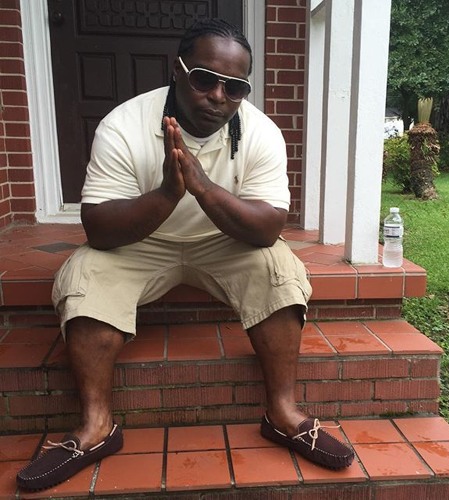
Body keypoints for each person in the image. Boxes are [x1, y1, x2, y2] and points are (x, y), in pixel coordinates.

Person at [17, 19, 354, 491]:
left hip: (223, 241)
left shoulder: (260, 132)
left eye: (234, 87)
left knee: (279, 268)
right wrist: (168, 194)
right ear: (176, 71)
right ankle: (96, 427)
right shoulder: (124, 124)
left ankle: (282, 413)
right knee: (85, 275)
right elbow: (99, 230)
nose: (218, 96)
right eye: (204, 78)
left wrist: (203, 188)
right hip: (141, 241)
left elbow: (267, 230)